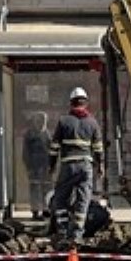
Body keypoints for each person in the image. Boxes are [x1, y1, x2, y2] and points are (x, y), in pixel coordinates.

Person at [48, 86, 103, 248]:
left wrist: (51, 165)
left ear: (71, 103)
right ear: (85, 103)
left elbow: (54, 147)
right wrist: (100, 165)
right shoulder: (92, 122)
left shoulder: (64, 121)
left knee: (61, 198)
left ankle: (63, 231)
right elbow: (98, 148)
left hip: (68, 166)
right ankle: (77, 235)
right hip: (86, 167)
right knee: (83, 200)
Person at [21, 113, 50, 221]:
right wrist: (28, 166)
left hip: (45, 166)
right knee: (35, 188)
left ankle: (46, 209)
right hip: (34, 165)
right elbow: (25, 152)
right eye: (39, 121)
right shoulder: (30, 134)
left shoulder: (47, 134)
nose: (41, 123)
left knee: (46, 188)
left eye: (43, 121)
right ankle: (36, 211)